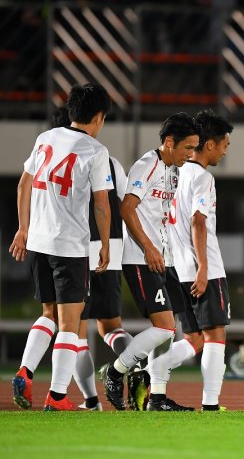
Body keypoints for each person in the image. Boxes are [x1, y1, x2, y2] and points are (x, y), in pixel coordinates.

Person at [10, 83, 113, 411]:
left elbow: (23, 184)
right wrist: (105, 244)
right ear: (97, 117)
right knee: (70, 324)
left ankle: (25, 371)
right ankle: (56, 396)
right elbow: (101, 205)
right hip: (70, 246)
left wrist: (23, 229)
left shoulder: (45, 138)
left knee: (47, 314)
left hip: (38, 241)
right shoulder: (96, 151)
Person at [101, 112, 199, 412]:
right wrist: (148, 248)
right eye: (187, 148)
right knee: (165, 328)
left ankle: (157, 397)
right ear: (169, 142)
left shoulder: (175, 169)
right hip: (142, 258)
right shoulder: (147, 165)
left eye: (194, 148)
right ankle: (115, 372)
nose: (191, 154)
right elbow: (127, 209)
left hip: (163, 258)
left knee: (169, 330)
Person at [47, 105, 132, 411]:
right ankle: (139, 370)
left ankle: (91, 400)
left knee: (74, 330)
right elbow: (124, 204)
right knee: (111, 326)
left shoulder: (51, 156)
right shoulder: (110, 160)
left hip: (78, 247)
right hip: (113, 245)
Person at [167, 109, 233, 412]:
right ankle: (210, 403)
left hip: (178, 268)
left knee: (193, 339)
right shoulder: (203, 177)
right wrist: (204, 267)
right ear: (209, 145)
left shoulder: (175, 173)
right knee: (215, 336)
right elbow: (198, 221)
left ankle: (143, 370)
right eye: (224, 144)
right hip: (202, 269)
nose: (224, 150)